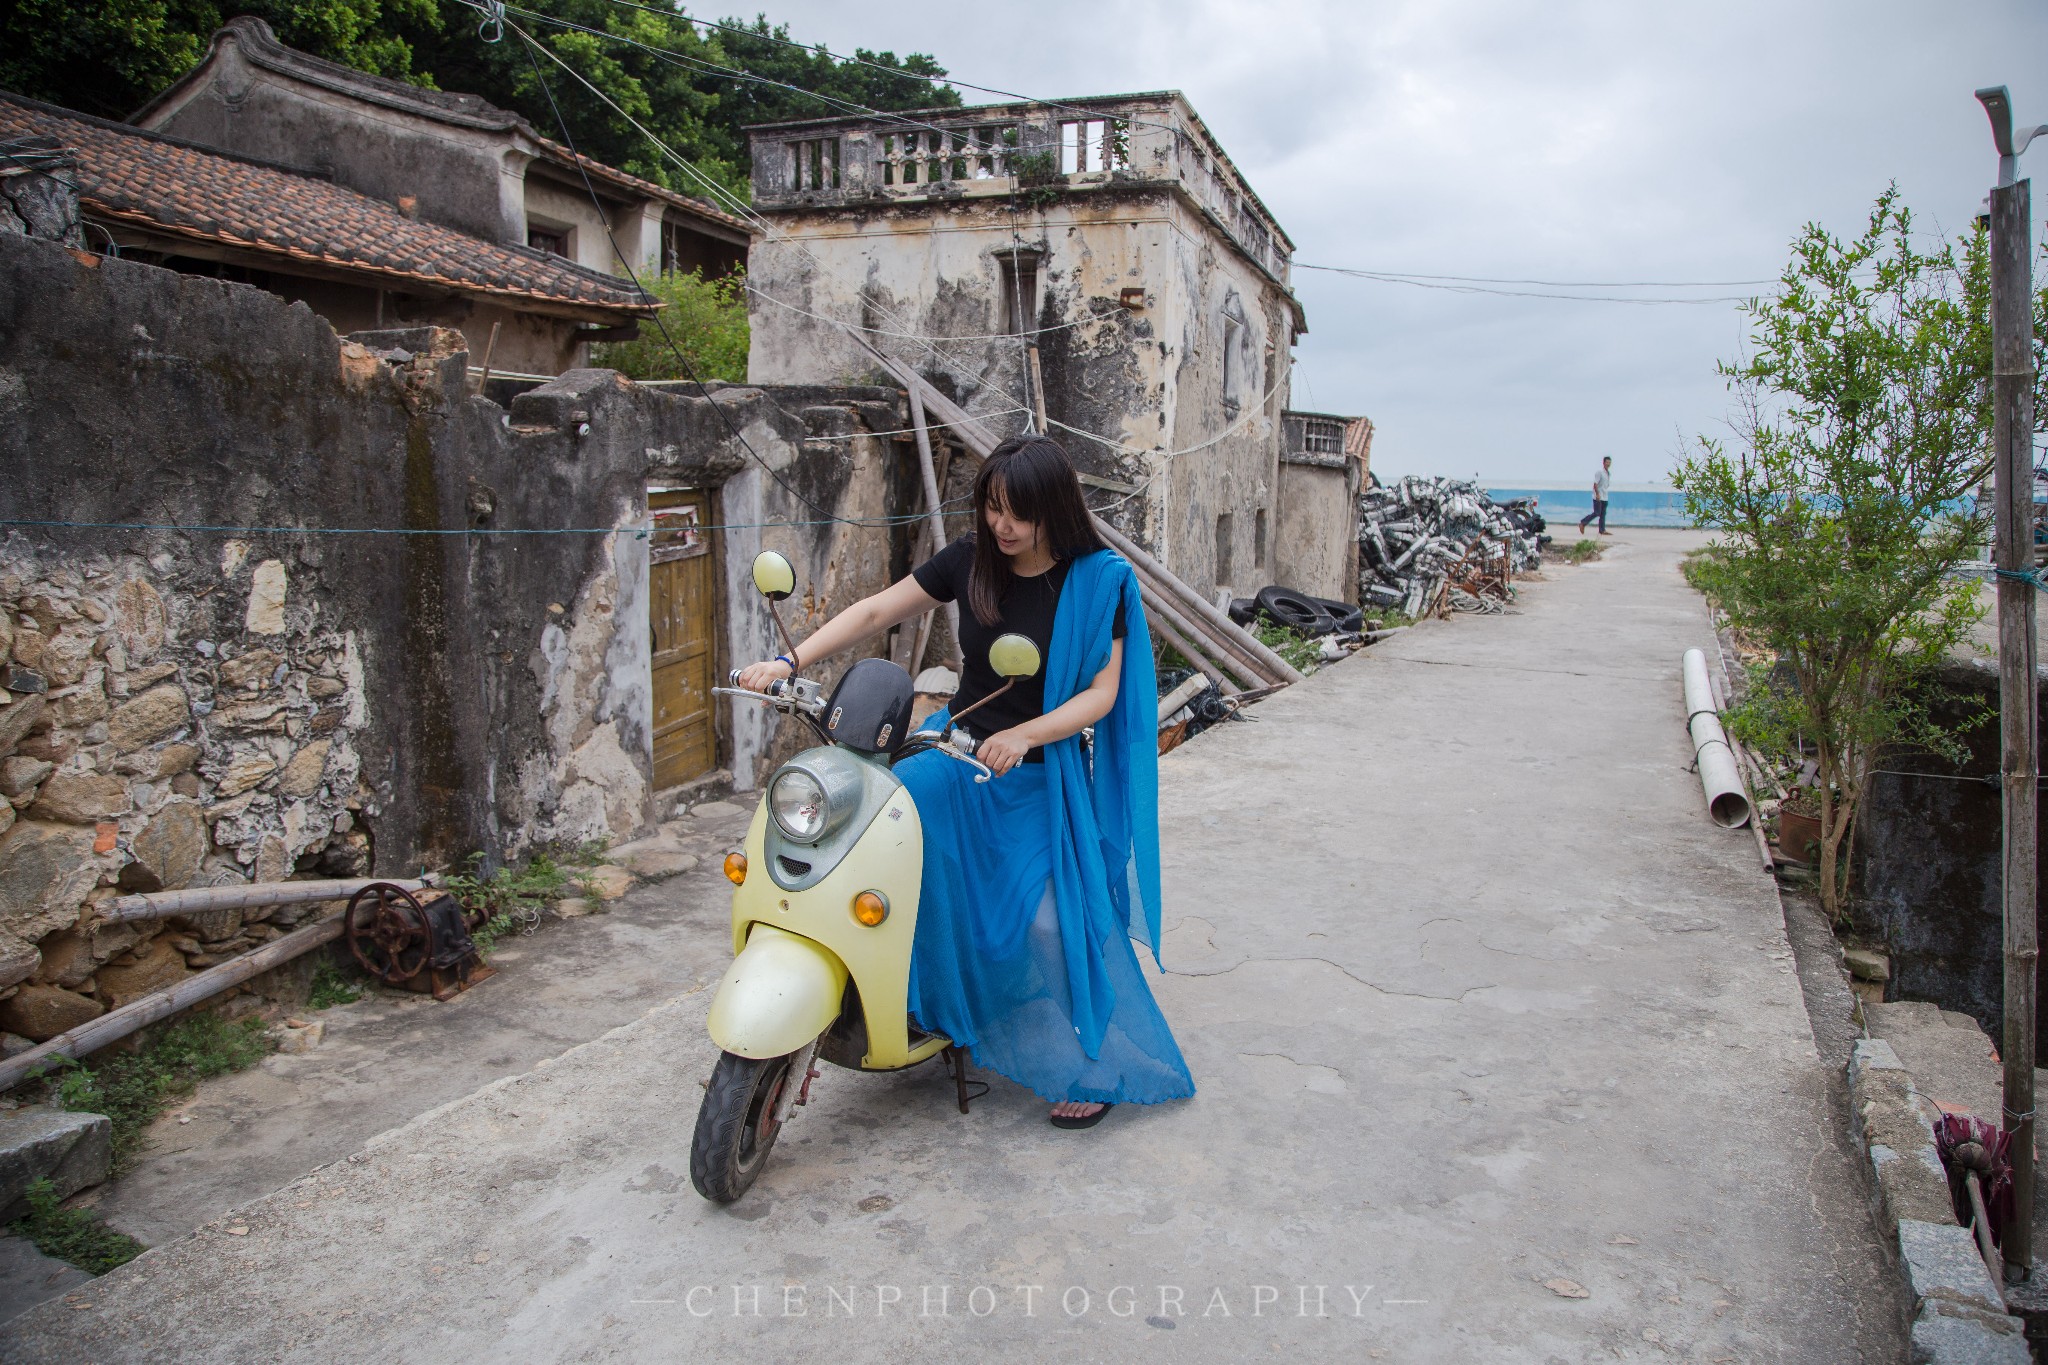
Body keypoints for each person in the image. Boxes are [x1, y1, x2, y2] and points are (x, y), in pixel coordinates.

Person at [736, 435, 1195, 1129]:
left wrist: (1026, 734)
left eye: (1017, 514)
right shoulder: (971, 561)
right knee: (875, 832)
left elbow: (1101, 692)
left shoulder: (1101, 581)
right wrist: (787, 656)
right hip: (958, 751)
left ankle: (1093, 1056)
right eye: (991, 508)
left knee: (1045, 917)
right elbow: (876, 611)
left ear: (1053, 510)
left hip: (1038, 771)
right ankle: (895, 1000)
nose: (1001, 526)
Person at [1579, 456, 1614, 536]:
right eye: (1607, 462)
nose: (1608, 464)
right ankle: (1583, 523)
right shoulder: (1599, 472)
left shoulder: (1608, 473)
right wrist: (1597, 494)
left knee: (1603, 514)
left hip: (1605, 496)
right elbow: (1595, 484)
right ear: (1603, 462)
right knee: (1597, 512)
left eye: (1609, 462)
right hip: (1598, 496)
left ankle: (1602, 530)